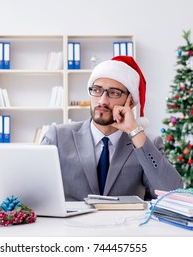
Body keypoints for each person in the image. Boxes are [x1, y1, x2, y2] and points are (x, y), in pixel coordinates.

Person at [41, 56, 183, 201]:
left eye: (114, 93)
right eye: (96, 90)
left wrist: (135, 131)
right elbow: (33, 192)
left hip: (125, 223)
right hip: (69, 223)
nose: (102, 101)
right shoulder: (58, 137)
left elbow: (172, 195)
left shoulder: (145, 143)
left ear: (130, 101)